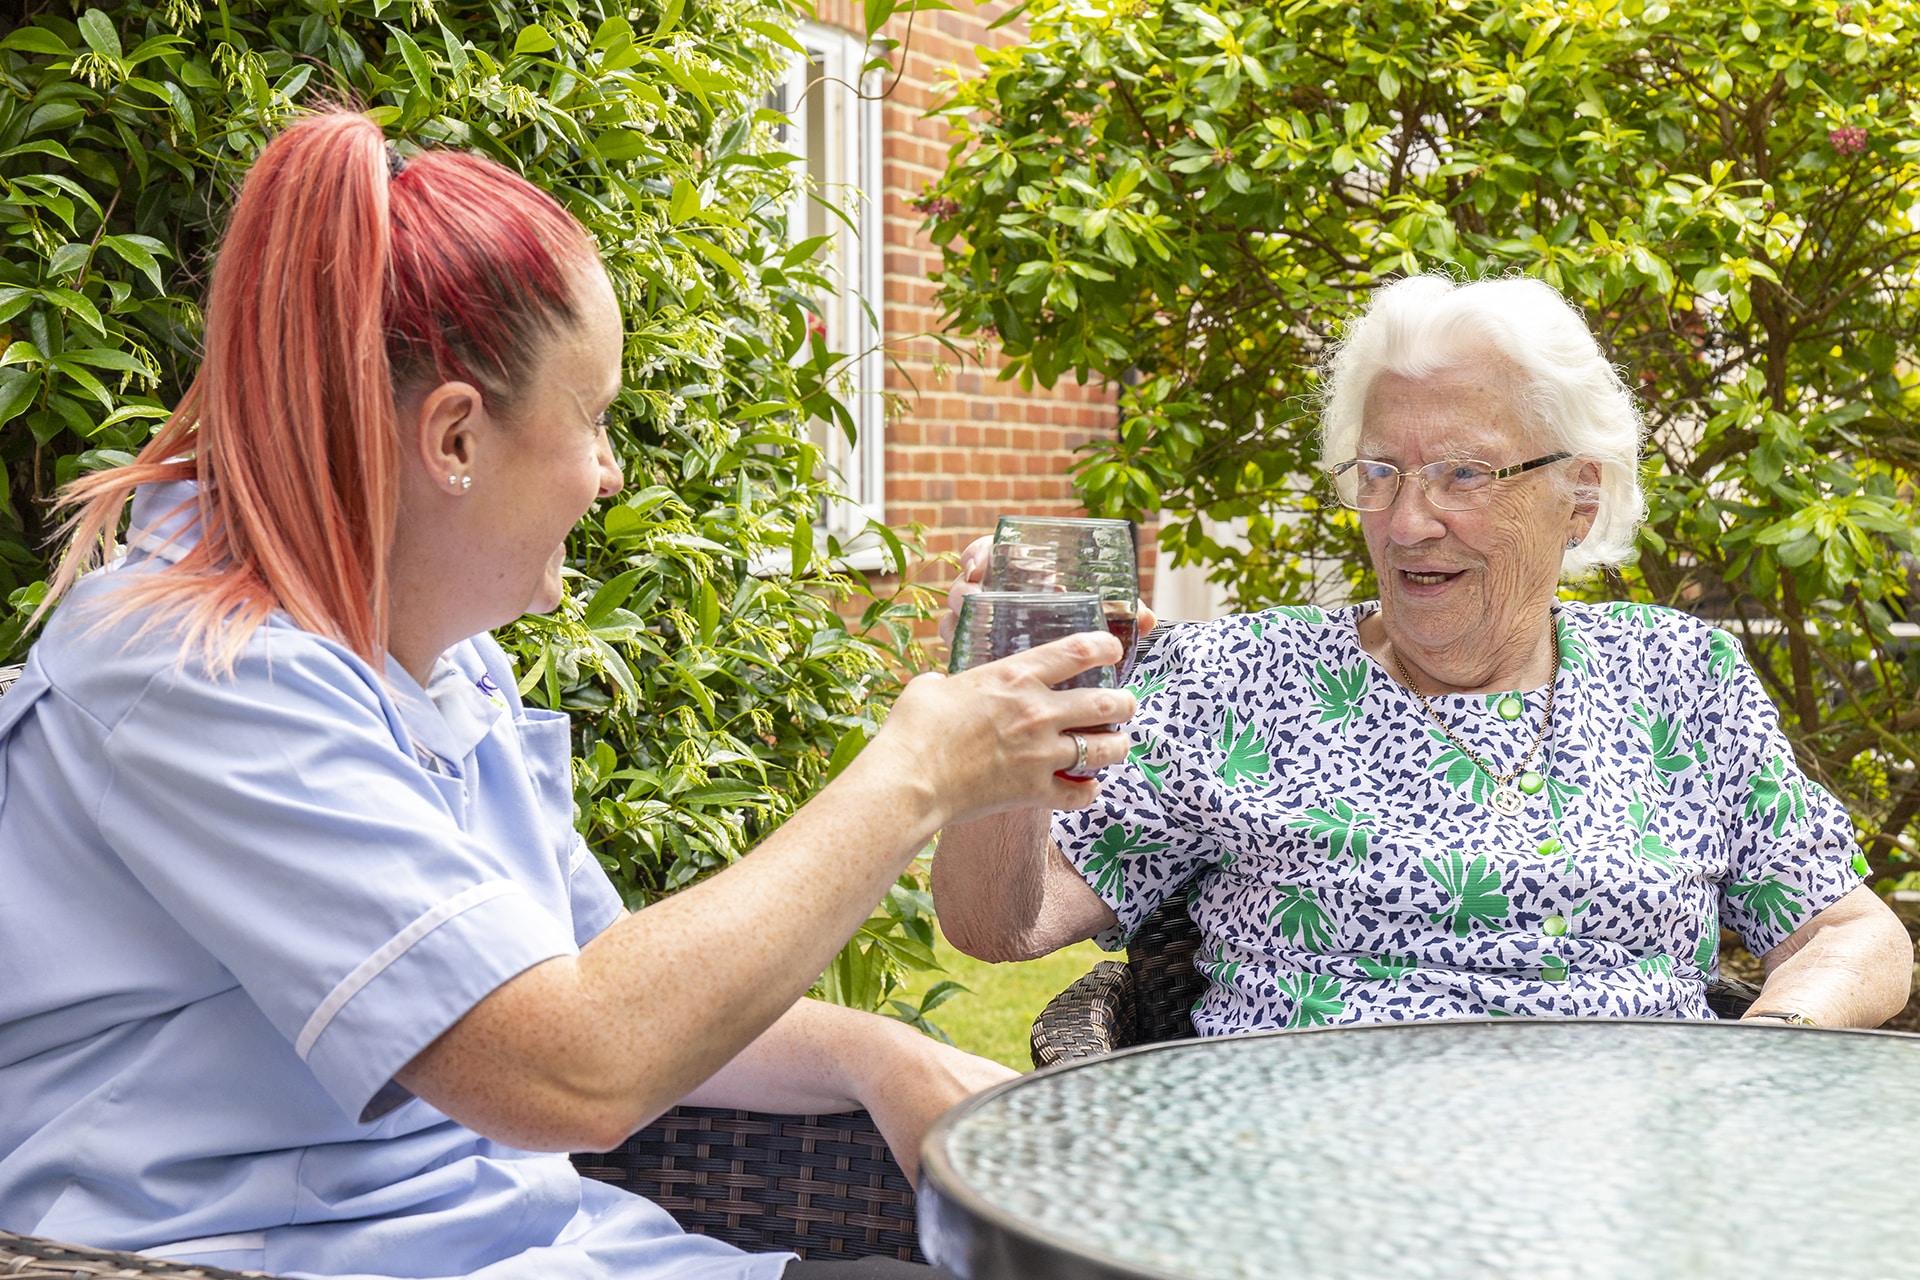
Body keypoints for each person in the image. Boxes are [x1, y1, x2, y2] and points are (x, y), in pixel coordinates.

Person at [0, 112, 1136, 1279]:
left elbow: (613, 980)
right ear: (453, 438)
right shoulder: (198, 678)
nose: (612, 471)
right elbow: (576, 1064)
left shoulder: (438, 655)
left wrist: (878, 1055)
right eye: (592, 417)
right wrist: (916, 771)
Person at [933, 273, 1912, 1033]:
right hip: (1317, 1193)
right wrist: (1005, 719)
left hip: (1630, 1187)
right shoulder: (1238, 682)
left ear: (1579, 494)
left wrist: (1772, 1041)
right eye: (1380, 472)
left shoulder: (1679, 681)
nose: (1407, 522)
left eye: (1464, 474)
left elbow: (1852, 930)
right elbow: (1001, 924)